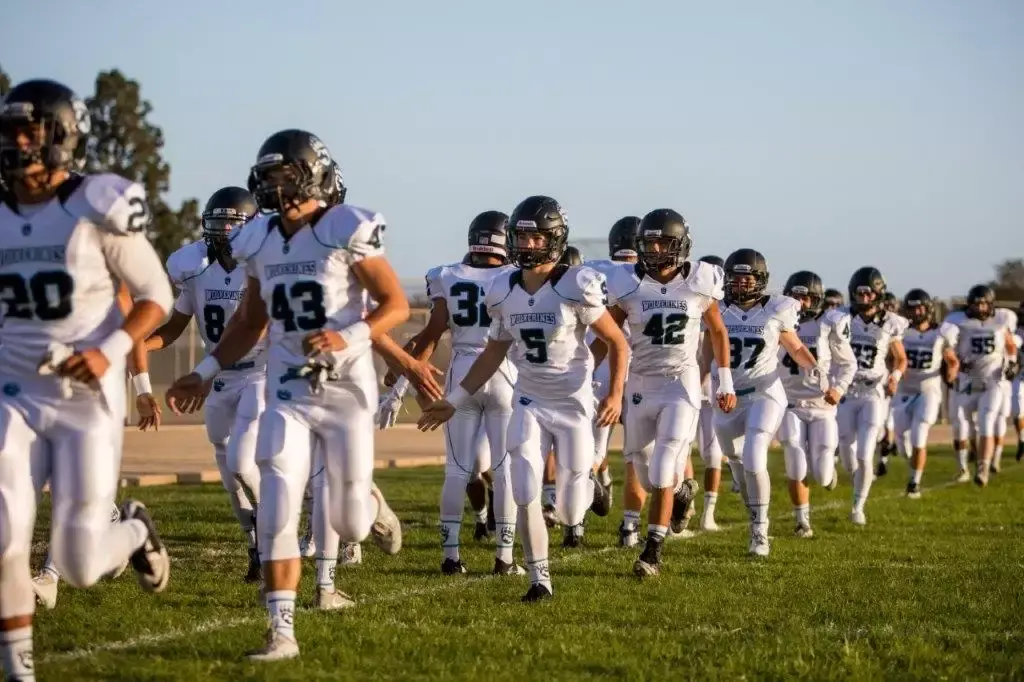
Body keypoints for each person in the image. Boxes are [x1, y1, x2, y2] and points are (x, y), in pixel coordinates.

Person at [165, 129, 403, 660]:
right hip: (288, 388)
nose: (275, 186)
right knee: (276, 502)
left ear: (313, 174)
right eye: (268, 176)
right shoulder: (258, 238)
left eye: (284, 175)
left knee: (348, 520)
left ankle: (372, 506)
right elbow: (250, 321)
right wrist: (204, 370)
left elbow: (395, 305)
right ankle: (281, 630)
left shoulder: (345, 226)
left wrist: (347, 336)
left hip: (345, 390)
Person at [0, 78, 173, 681]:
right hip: (14, 392)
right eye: (10, 132)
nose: (17, 144)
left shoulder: (96, 202)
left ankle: (135, 531)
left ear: (61, 136)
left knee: (76, 563)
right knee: (5, 539)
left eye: (29, 132)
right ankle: (20, 671)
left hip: (85, 398)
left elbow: (156, 294)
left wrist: (109, 351)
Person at [418, 195, 629, 602]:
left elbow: (617, 342)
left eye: (537, 238)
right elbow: (493, 352)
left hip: (572, 405)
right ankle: (539, 580)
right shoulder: (503, 288)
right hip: (528, 401)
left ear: (555, 239)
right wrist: (455, 398)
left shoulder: (576, 284)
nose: (528, 245)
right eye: (522, 237)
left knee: (569, 510)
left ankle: (588, 485)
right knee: (524, 490)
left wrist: (615, 394)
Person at [378, 210, 523, 575]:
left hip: (462, 373)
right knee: (504, 469)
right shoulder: (517, 276)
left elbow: (431, 334)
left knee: (457, 469)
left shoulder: (446, 275)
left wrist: (399, 387)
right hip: (504, 371)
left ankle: (450, 556)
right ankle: (505, 558)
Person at [593, 209, 731, 576]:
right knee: (643, 468)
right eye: (648, 243)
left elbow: (718, 331)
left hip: (680, 382)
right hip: (640, 382)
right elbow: (608, 334)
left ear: (680, 245)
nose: (654, 250)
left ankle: (652, 552)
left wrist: (725, 381)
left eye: (662, 242)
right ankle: (682, 492)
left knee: (664, 463)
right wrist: (583, 369)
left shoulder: (701, 279)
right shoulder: (626, 282)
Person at [146, 186, 264, 583]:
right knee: (229, 472)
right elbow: (174, 327)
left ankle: (274, 534)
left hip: (259, 372)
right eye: (218, 221)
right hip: (219, 377)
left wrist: (206, 372)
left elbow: (256, 326)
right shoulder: (193, 265)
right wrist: (137, 346)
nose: (224, 229)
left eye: (233, 222)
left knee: (243, 463)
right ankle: (255, 545)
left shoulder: (260, 265)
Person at [713, 249, 820, 555]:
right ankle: (754, 511)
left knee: (754, 454)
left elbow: (795, 346)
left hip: (765, 392)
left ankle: (760, 531)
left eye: (747, 278)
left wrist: (813, 367)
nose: (741, 283)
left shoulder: (776, 308)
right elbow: (706, 351)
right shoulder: (716, 308)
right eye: (735, 277)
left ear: (760, 279)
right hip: (729, 394)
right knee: (734, 457)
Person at [777, 271, 856, 537]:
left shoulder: (829, 323)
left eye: (806, 297)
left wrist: (839, 388)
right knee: (795, 460)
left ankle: (828, 473)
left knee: (821, 474)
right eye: (795, 297)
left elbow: (848, 364)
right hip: (790, 402)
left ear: (817, 299)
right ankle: (802, 521)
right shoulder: (775, 320)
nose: (800, 303)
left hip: (822, 405)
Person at [838, 267, 908, 525]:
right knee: (846, 448)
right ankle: (857, 480)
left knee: (865, 454)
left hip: (873, 392)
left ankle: (858, 507)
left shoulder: (890, 322)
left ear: (878, 294)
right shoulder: (841, 317)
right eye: (860, 293)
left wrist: (895, 377)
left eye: (869, 293)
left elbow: (901, 359)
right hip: (846, 390)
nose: (864, 298)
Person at [944, 285, 1018, 486]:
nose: (980, 308)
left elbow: (1010, 345)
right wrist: (953, 362)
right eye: (977, 304)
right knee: (961, 424)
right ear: (969, 304)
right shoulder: (957, 321)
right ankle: (965, 464)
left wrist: (1012, 362)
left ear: (991, 303)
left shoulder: (1002, 319)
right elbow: (947, 348)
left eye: (984, 303)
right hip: (966, 379)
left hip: (993, 380)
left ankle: (983, 468)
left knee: (987, 421)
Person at [892, 289, 959, 497]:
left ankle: (914, 483)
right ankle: (914, 467)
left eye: (920, 308)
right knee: (902, 441)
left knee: (919, 434)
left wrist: (952, 373)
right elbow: (892, 357)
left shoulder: (941, 333)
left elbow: (952, 360)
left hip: (929, 389)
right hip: (904, 390)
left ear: (928, 309)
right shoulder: (901, 331)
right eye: (912, 308)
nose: (917, 312)